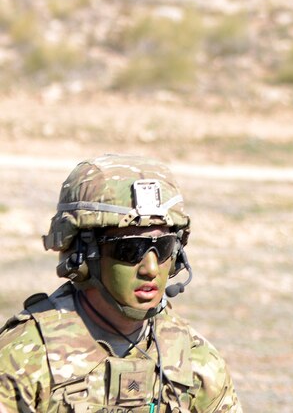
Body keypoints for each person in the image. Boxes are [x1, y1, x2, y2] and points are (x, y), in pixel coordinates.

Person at [0, 154, 242, 412]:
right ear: (83, 256)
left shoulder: (194, 361)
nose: (150, 269)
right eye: (129, 249)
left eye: (163, 247)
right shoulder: (24, 358)